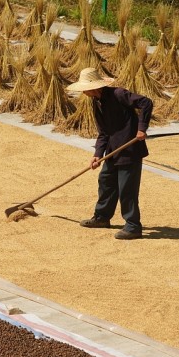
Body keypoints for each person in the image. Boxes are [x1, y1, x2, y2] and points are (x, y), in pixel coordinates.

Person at [66, 67, 153, 240]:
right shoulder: (96, 103)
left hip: (130, 149)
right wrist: (98, 154)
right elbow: (104, 131)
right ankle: (102, 217)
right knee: (105, 181)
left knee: (127, 189)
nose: (83, 92)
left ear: (94, 87)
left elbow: (146, 103)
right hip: (112, 150)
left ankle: (133, 226)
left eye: (85, 88)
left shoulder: (118, 94)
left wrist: (142, 128)